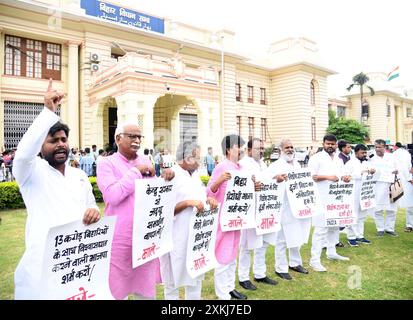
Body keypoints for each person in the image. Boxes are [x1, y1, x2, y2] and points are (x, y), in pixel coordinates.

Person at [13, 79, 100, 299]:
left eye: (64, 139)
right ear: (41, 146)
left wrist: (94, 213)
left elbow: (91, 208)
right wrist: (48, 112)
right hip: (43, 264)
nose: (61, 143)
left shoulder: (79, 176)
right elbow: (23, 154)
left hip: (78, 260)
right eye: (53, 140)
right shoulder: (31, 172)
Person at [96, 122, 174, 300]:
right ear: (118, 139)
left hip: (145, 237)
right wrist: (135, 172)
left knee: (145, 291)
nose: (137, 140)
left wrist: (166, 178)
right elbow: (112, 195)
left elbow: (154, 195)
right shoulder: (106, 163)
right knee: (117, 290)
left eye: (139, 137)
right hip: (120, 238)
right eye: (132, 136)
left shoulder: (146, 161)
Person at [159, 141, 218, 300]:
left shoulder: (196, 176)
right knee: (172, 283)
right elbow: (160, 212)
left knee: (195, 278)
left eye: (199, 157)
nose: (198, 161)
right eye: (194, 157)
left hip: (195, 238)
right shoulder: (170, 176)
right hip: (174, 237)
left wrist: (209, 201)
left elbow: (201, 199)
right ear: (183, 158)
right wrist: (186, 204)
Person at [206, 134, 247, 300]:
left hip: (237, 217)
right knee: (223, 254)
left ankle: (230, 287)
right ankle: (222, 293)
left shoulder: (241, 168)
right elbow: (209, 191)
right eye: (239, 146)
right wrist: (220, 180)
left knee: (232, 253)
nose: (242, 149)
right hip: (223, 217)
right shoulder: (221, 167)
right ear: (229, 149)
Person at [265, 139, 312, 280]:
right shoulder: (275, 165)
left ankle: (295, 263)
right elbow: (266, 180)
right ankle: (281, 268)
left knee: (296, 235)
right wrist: (276, 179)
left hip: (297, 206)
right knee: (281, 239)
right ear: (280, 149)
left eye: (292, 147)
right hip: (282, 206)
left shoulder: (297, 164)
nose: (290, 149)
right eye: (287, 147)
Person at [237, 138, 277, 291]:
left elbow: (265, 180)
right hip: (250, 210)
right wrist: (252, 186)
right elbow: (240, 184)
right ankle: (243, 277)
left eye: (262, 148)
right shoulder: (244, 164)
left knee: (263, 242)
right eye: (257, 148)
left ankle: (260, 273)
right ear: (248, 150)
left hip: (263, 209)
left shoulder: (262, 163)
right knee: (246, 245)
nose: (261, 151)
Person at [308, 134, 350, 272]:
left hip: (336, 198)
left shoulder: (338, 159)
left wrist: (345, 177)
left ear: (336, 144)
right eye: (328, 144)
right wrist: (327, 177)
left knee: (334, 226)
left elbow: (341, 174)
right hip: (321, 198)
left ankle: (331, 252)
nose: (330, 146)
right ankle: (314, 260)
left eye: (333, 144)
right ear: (323, 143)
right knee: (320, 229)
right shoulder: (316, 158)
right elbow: (311, 177)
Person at [344, 144, 375, 246]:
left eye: (365, 152)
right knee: (353, 215)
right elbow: (346, 177)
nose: (364, 154)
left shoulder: (367, 162)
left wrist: (373, 171)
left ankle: (360, 236)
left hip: (364, 193)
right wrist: (361, 173)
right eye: (362, 152)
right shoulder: (350, 163)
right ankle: (351, 237)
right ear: (356, 152)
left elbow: (374, 174)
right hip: (353, 192)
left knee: (362, 216)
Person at [369, 139, 398, 237]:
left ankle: (390, 228)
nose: (377, 149)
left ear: (384, 147)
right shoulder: (371, 157)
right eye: (376, 147)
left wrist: (396, 171)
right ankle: (380, 229)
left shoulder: (391, 156)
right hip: (378, 185)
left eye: (379, 147)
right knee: (378, 208)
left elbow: (398, 168)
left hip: (391, 185)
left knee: (392, 208)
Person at [392, 142, 413, 233]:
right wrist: (409, 179)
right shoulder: (407, 154)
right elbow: (406, 168)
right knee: (411, 205)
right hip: (410, 181)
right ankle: (410, 225)